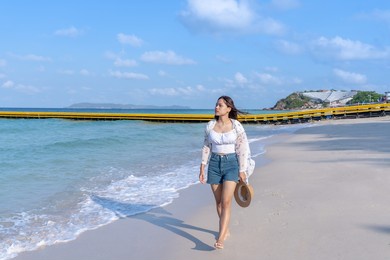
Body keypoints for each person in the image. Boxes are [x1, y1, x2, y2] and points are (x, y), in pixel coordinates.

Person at [199, 95, 251, 250]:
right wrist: (202, 167)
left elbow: (243, 148)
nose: (217, 107)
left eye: (220, 105)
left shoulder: (236, 126)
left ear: (228, 109)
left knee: (227, 202)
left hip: (231, 164)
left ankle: (221, 237)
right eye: (216, 104)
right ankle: (225, 230)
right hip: (214, 164)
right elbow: (206, 146)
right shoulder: (210, 126)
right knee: (219, 203)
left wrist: (242, 169)